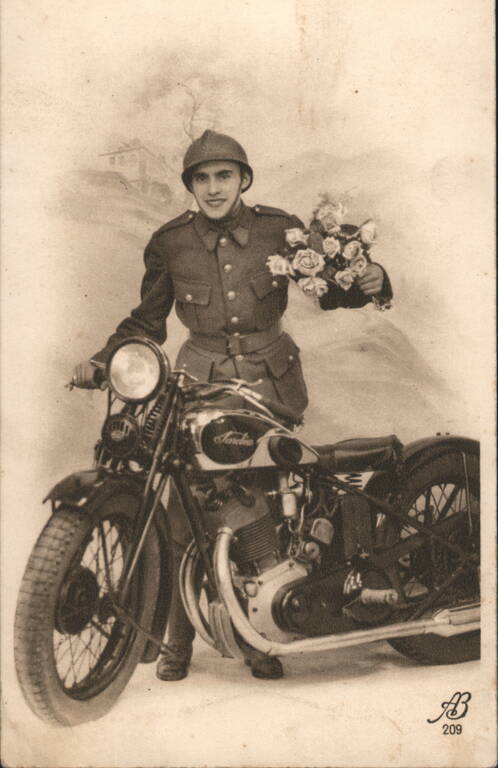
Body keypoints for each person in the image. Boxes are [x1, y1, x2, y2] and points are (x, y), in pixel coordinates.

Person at [72, 129, 392, 682]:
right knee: (185, 510)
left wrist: (374, 281)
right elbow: (147, 321)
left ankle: (261, 637)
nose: (214, 188)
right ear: (190, 185)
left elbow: (330, 290)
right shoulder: (170, 242)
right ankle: (177, 640)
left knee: (262, 504)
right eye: (202, 178)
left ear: (244, 179)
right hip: (200, 383)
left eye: (224, 175)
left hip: (270, 382)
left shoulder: (280, 229)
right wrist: (105, 361)